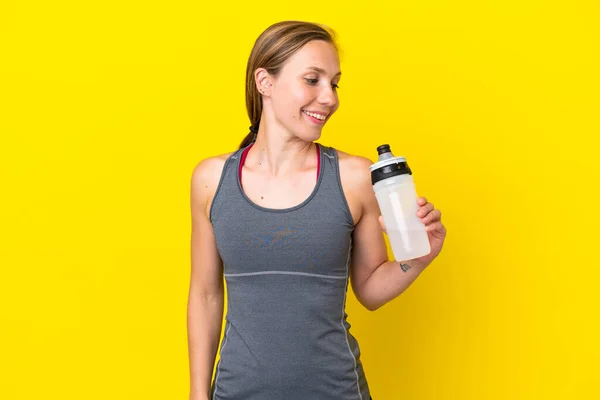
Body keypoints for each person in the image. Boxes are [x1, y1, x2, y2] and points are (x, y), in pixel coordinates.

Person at [187, 20, 447, 400]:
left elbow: (371, 291)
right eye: (313, 80)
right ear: (265, 82)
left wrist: (418, 258)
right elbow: (205, 294)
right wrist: (197, 394)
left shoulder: (355, 177)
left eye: (334, 83)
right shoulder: (211, 180)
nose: (330, 97)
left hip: (336, 391)